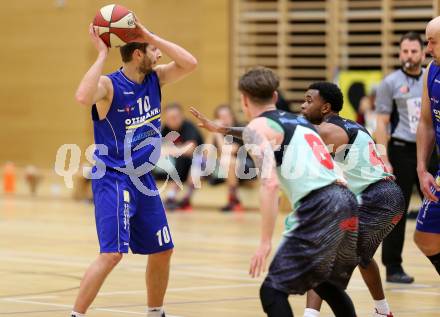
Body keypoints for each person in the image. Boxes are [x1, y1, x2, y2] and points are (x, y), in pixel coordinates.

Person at [192, 67, 359, 317]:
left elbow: (269, 184)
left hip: (320, 204)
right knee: (324, 283)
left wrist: (264, 242)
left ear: (244, 99)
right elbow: (267, 131)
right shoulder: (299, 121)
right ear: (274, 95)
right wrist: (224, 130)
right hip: (345, 198)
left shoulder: (256, 129)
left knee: (271, 291)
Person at [72, 16, 197, 317]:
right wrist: (102, 54)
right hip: (113, 177)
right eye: (153, 49)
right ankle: (75, 315)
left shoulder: (156, 78)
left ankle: (156, 312)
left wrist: (148, 35)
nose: (160, 54)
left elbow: (190, 62)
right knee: (112, 254)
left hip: (144, 180)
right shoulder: (109, 85)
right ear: (138, 54)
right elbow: (81, 97)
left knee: (163, 249)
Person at [300, 82, 405, 317]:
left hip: (378, 197)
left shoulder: (328, 131)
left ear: (325, 107)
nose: (303, 105)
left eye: (308, 100)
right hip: (388, 196)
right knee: (364, 259)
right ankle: (383, 311)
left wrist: (227, 130)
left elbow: (275, 133)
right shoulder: (348, 125)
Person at [375, 31, 428, 283]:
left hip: (429, 151)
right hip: (401, 151)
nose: (409, 56)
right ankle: (393, 267)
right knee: (397, 208)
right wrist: (383, 157)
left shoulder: (431, 77)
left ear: (423, 52)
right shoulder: (390, 83)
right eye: (404, 51)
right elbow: (381, 123)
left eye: (413, 51)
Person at [414, 16, 440, 276]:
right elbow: (426, 123)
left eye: (432, 42)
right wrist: (422, 169)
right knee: (425, 237)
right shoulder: (431, 71)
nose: (428, 48)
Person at [160, 102, 203, 211]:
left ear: (181, 116)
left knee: (194, 164)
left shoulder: (188, 127)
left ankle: (185, 198)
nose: (172, 120)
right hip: (179, 163)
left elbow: (190, 149)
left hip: (201, 161)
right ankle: (170, 197)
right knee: (180, 160)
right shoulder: (165, 129)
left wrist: (170, 150)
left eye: (175, 117)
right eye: (169, 118)